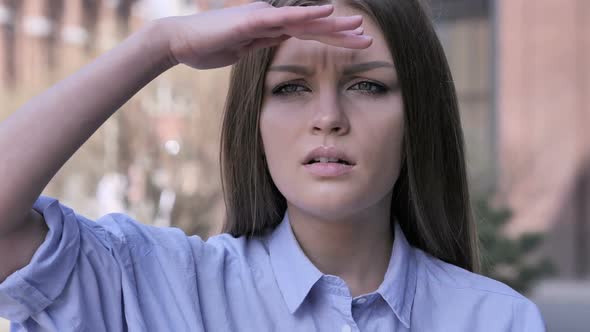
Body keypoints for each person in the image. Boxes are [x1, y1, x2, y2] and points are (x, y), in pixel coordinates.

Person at [0, 0, 545, 331]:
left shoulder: (498, 320)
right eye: (291, 87)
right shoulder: (159, 285)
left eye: (367, 85)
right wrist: (162, 45)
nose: (329, 117)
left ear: (418, 117)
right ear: (252, 122)